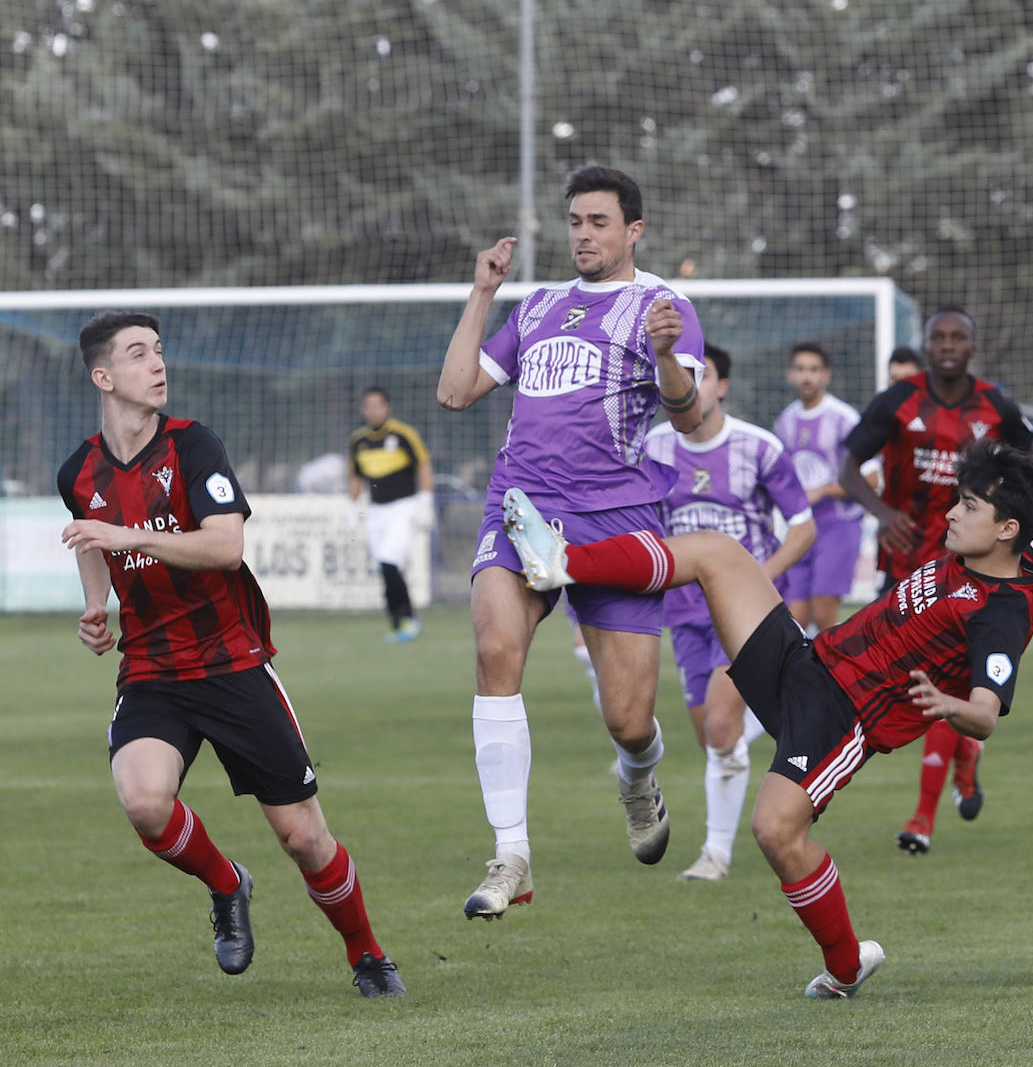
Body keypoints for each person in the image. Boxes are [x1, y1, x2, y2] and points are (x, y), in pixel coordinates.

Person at [500, 439, 1033, 998]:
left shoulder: (1000, 613)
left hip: (843, 718)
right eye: (959, 500)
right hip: (807, 661)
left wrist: (952, 705)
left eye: (971, 507)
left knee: (775, 832)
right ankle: (564, 562)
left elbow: (985, 716)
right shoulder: (1025, 567)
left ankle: (846, 966)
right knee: (717, 552)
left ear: (1007, 528)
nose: (953, 514)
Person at [57, 311, 405, 999]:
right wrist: (96, 609)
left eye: (158, 351)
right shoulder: (79, 470)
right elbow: (89, 539)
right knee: (143, 801)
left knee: (305, 839)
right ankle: (227, 883)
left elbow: (224, 547)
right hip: (153, 669)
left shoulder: (193, 448)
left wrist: (125, 532)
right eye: (137, 355)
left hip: (232, 661)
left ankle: (366, 954)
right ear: (104, 377)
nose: (156, 364)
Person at [436, 163, 705, 919]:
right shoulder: (540, 303)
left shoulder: (664, 305)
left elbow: (686, 416)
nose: (582, 235)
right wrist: (483, 290)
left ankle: (637, 773)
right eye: (575, 222)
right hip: (521, 509)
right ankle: (511, 855)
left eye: (597, 223)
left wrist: (661, 356)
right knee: (495, 650)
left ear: (632, 230)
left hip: (616, 519)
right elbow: (455, 392)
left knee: (627, 717)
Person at [837, 306, 1033, 855]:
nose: (948, 345)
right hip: (908, 570)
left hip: (972, 578)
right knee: (906, 690)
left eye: (958, 337)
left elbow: (1027, 477)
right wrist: (880, 512)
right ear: (926, 346)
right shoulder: (898, 401)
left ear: (972, 347)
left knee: (946, 688)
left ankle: (921, 819)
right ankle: (966, 759)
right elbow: (847, 466)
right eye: (938, 337)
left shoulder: (997, 406)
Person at [645, 341, 814, 882]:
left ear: (721, 386)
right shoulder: (652, 449)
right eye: (680, 375)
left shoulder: (759, 447)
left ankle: (715, 855)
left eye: (703, 374)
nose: (690, 384)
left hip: (744, 609)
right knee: (713, 734)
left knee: (721, 725)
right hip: (683, 609)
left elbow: (804, 527)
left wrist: (758, 577)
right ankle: (789, 712)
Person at [772, 341, 876, 638]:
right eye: (801, 369)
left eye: (814, 370)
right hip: (801, 527)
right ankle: (798, 680)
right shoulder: (785, 421)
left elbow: (871, 478)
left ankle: (835, 679)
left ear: (826, 375)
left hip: (839, 525)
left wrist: (822, 492)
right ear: (790, 374)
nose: (807, 377)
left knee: (823, 612)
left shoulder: (844, 419)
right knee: (794, 617)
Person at [348, 386, 435, 643]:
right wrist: (351, 507)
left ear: (387, 407)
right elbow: (355, 476)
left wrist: (426, 500)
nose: (372, 410)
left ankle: (410, 618)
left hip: (403, 507)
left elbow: (423, 465)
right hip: (376, 511)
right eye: (368, 406)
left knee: (389, 560)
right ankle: (398, 623)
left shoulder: (403, 434)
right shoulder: (358, 441)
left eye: (377, 405)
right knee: (384, 566)